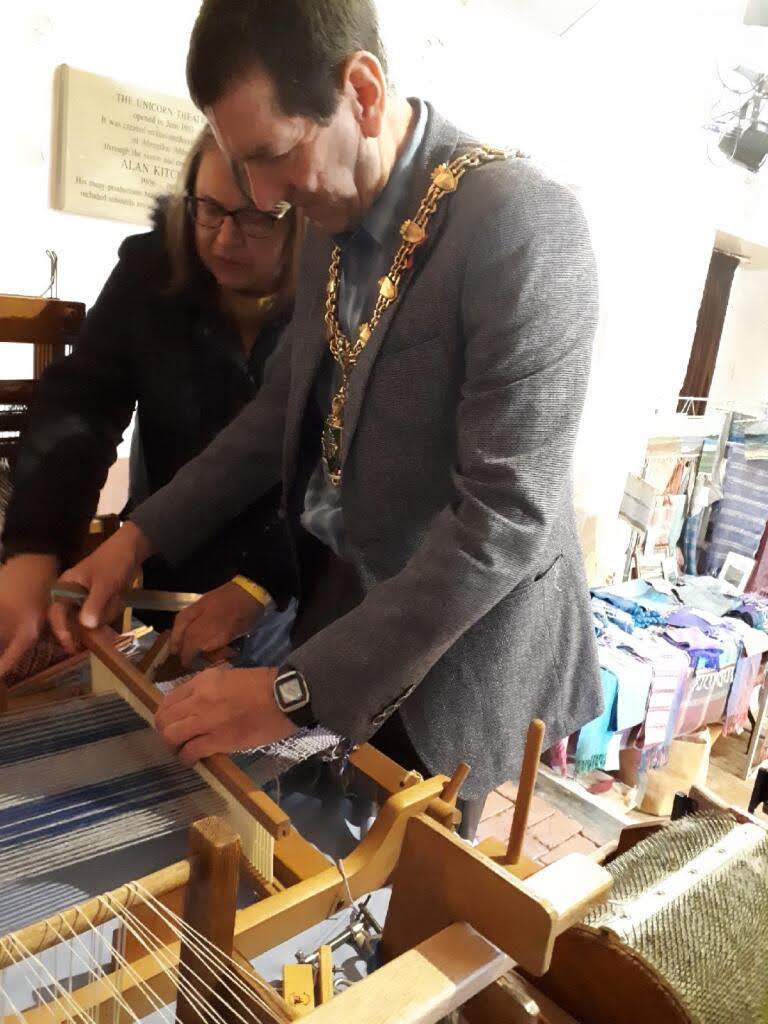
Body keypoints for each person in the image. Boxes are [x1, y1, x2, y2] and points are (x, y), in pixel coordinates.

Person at [49, 0, 603, 839]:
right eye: (243, 166)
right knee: (313, 855)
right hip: (344, 610)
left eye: (274, 156)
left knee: (417, 878)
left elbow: (504, 521)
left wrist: (286, 693)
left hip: (460, 654)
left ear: (364, 93)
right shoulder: (328, 226)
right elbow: (279, 411)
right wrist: (138, 538)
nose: (266, 196)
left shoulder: (521, 225)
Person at [0, 124, 301, 676]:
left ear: (304, 214)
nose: (225, 240)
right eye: (209, 209)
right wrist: (34, 547)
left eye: (257, 218)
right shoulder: (152, 272)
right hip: (174, 565)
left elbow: (336, 470)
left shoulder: (339, 298)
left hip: (303, 575)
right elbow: (83, 407)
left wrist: (262, 582)